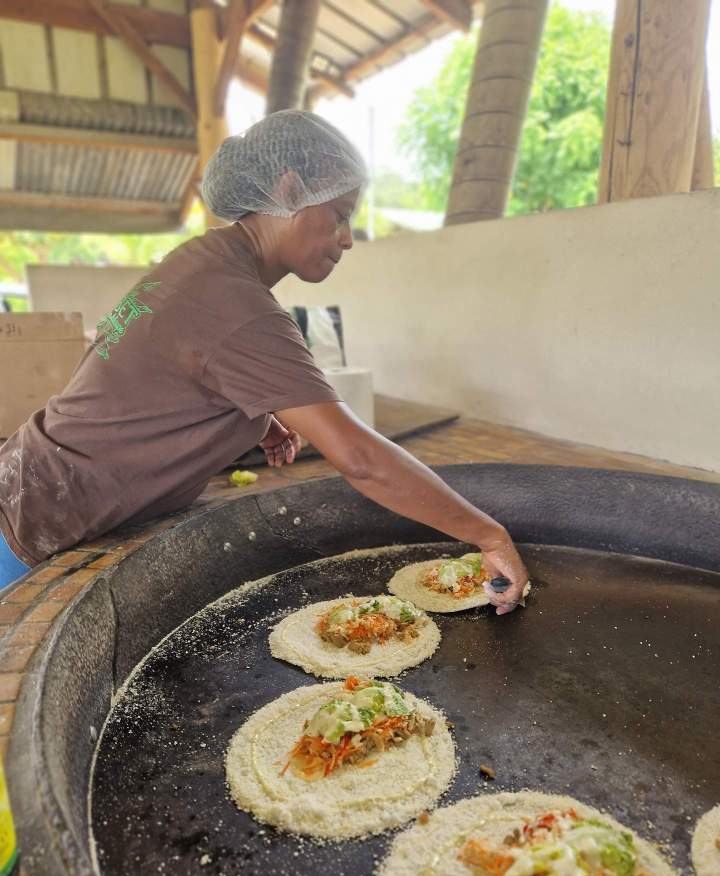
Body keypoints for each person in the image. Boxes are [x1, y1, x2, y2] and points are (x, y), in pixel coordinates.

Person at [0, 111, 528, 609]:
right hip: (35, 519)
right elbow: (360, 459)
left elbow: (161, 377)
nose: (347, 238)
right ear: (288, 190)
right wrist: (488, 534)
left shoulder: (202, 261)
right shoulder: (237, 303)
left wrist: (255, 414)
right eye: (339, 215)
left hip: (30, 478)